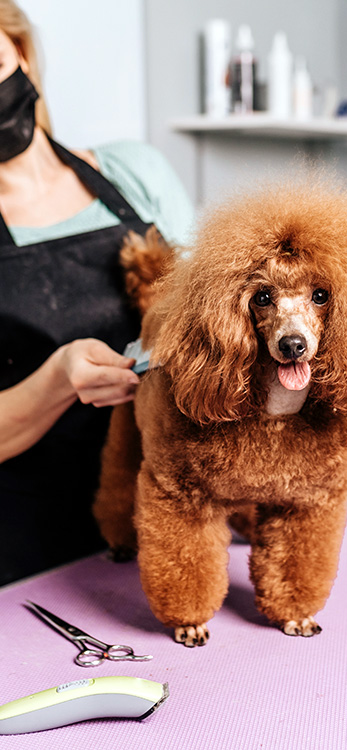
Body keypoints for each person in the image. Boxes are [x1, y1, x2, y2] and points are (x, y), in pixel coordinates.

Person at [0, 0, 193, 586]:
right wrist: (58, 380)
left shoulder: (133, 173)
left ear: (22, 54)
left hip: (164, 502)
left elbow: (213, 310)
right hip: (29, 544)